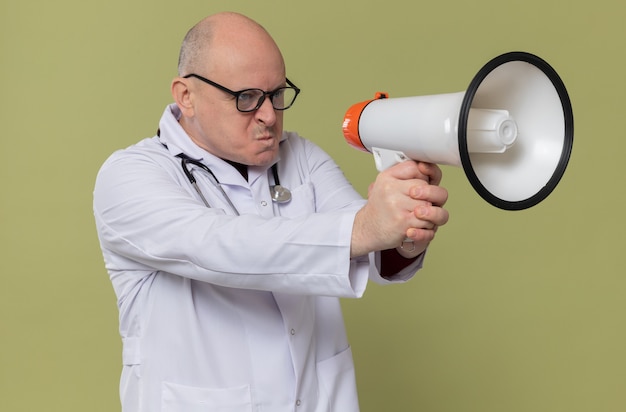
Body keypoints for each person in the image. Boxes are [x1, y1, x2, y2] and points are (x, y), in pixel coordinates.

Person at [93, 11, 449, 412]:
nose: (268, 115)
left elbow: (373, 249)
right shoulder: (129, 177)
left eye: (277, 94)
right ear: (185, 96)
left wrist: (406, 225)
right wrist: (369, 226)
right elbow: (223, 247)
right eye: (246, 98)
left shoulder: (301, 156)